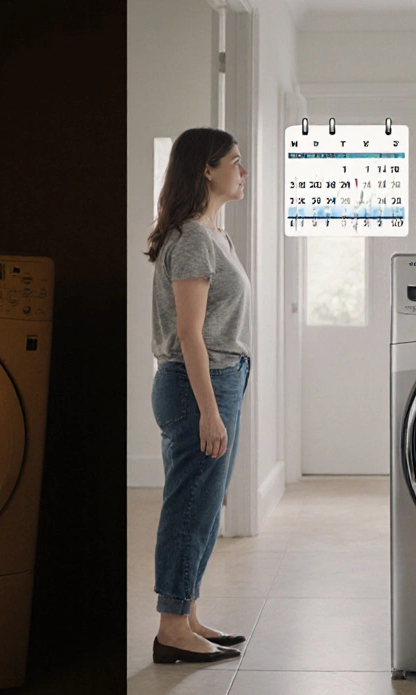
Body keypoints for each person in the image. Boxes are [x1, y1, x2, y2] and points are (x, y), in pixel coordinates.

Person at [146, 127, 251, 664]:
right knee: (189, 507)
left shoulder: (215, 236)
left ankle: (186, 615)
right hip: (197, 387)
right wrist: (210, 411)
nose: (244, 171)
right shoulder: (191, 239)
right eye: (236, 162)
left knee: (204, 509)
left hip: (221, 378)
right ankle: (171, 629)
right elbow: (189, 334)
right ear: (207, 170)